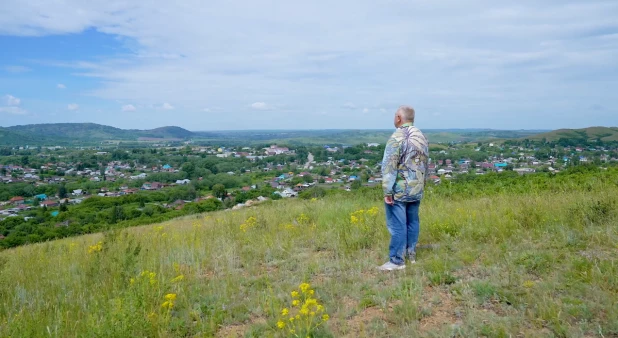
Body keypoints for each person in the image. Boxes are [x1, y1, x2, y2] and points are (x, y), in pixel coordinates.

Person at [378, 106, 429, 271]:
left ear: (399, 118)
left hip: (399, 189)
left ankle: (396, 261)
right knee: (413, 221)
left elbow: (389, 166)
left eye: (395, 115)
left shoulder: (397, 137)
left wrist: (387, 190)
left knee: (398, 225)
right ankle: (411, 254)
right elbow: (425, 163)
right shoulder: (421, 136)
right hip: (417, 187)